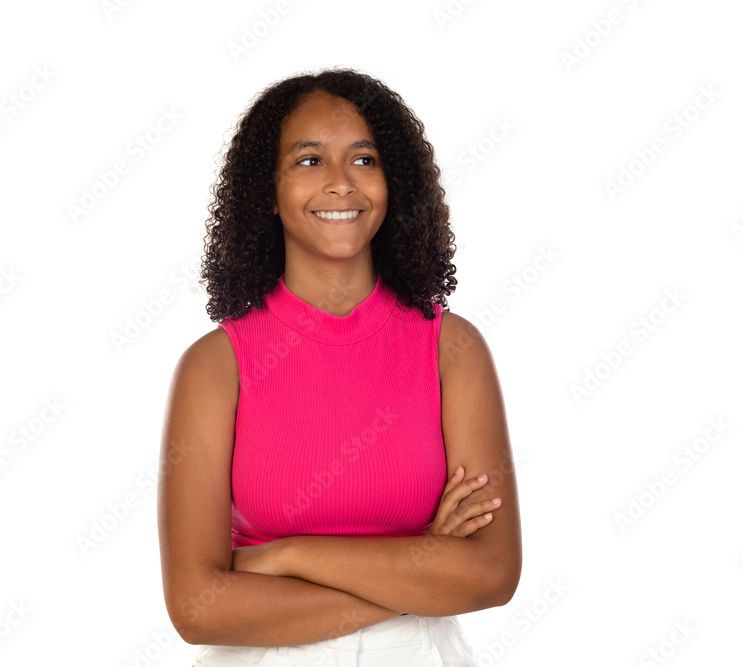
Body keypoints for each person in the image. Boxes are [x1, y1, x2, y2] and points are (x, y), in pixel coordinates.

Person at [157, 67, 522, 666]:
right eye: (308, 161)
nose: (340, 184)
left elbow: (491, 572)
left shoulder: (450, 348)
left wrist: (285, 557)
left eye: (363, 159)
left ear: (392, 182)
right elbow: (197, 608)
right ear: (268, 193)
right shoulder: (216, 365)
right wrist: (420, 567)